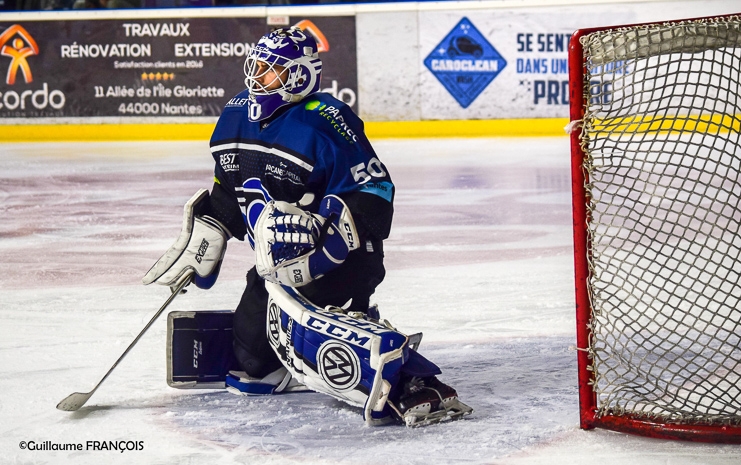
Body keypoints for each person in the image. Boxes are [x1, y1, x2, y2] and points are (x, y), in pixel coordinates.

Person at [143, 26, 471, 426]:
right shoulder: (234, 116)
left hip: (343, 257)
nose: (256, 77)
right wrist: (211, 229)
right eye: (257, 66)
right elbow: (227, 187)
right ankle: (317, 336)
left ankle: (411, 378)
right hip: (275, 265)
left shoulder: (326, 120)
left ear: (299, 76)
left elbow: (375, 191)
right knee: (253, 360)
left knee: (305, 324)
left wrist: (327, 243)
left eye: (270, 70)